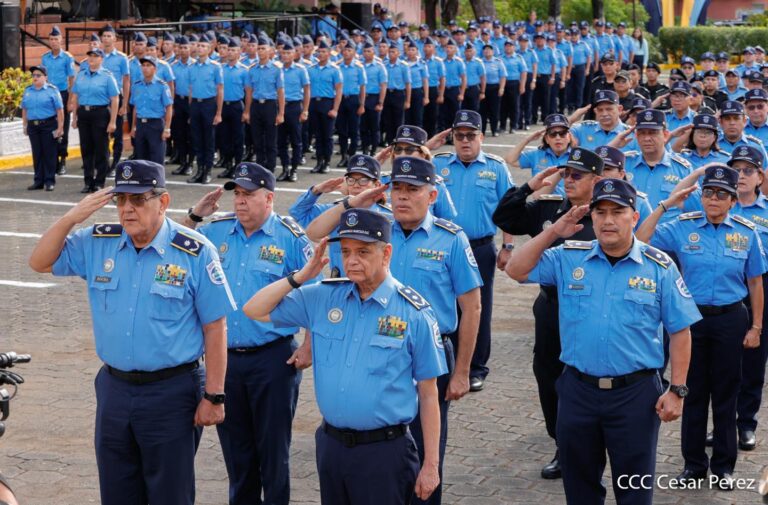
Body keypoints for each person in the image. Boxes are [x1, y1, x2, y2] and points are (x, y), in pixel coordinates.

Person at [28, 160, 236, 505]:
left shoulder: (194, 251)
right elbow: (39, 261)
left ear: (163, 202)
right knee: (117, 490)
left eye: (138, 200)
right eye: (121, 200)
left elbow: (215, 327)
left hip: (171, 392)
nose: (127, 209)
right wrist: (71, 218)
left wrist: (214, 396)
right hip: (114, 390)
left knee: (170, 494)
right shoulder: (98, 243)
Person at [505, 177, 699, 505]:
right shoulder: (569, 257)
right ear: (590, 217)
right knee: (580, 488)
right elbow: (515, 269)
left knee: (634, 490)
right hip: (578, 392)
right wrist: (554, 231)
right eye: (600, 212)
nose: (608, 220)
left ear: (634, 217)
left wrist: (677, 390)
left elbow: (681, 330)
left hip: (635, 397)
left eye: (617, 212)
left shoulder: (658, 267)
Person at [242, 209, 447, 505]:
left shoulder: (413, 314)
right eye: (346, 251)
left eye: (363, 252)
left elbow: (429, 395)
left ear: (386, 253)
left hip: (384, 453)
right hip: (332, 446)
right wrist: (300, 277)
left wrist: (430, 465)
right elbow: (254, 310)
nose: (351, 260)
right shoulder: (323, 297)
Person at [182, 162, 315, 505]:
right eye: (237, 195)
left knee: (273, 453)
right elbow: (174, 242)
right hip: (224, 359)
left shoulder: (290, 237)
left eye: (248, 195)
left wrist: (309, 346)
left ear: (269, 198)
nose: (239, 202)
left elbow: (316, 294)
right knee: (237, 453)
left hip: (273, 358)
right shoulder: (217, 231)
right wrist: (196, 215)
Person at [636, 164, 765, 490]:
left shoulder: (746, 232)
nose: (713, 199)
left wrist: (757, 327)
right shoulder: (682, 226)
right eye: (708, 193)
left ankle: (723, 467)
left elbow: (755, 282)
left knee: (726, 394)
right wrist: (665, 205)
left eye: (722, 195)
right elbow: (640, 238)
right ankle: (694, 465)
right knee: (690, 393)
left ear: (733, 201)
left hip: (730, 319)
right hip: (689, 322)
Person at [493, 147, 604, 480]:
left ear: (596, 180)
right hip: (553, 307)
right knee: (548, 375)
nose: (569, 180)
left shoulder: (605, 215)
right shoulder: (549, 208)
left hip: (591, 312)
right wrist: (529, 187)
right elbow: (504, 218)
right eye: (566, 174)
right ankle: (562, 444)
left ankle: (597, 441)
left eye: (577, 175)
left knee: (588, 378)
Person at [380, 156, 482, 505]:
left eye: (413, 189)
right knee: (381, 443)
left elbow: (472, 307)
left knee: (427, 448)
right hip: (380, 349)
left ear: (433, 195)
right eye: (397, 189)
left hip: (432, 354)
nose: (403, 197)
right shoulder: (375, 233)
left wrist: (463, 372)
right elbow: (315, 230)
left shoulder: (451, 239)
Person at [433, 110, 514, 391]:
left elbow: (509, 209)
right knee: (445, 303)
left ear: (481, 137)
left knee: (478, 308)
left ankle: (476, 367)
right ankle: (449, 361)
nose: (465, 141)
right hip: (443, 248)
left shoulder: (496, 167)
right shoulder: (438, 165)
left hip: (479, 247)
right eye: (459, 136)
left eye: (471, 135)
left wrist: (508, 246)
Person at [70, 48, 119, 194]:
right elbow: (75, 96)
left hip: (100, 113)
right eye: (90, 56)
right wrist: (74, 117)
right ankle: (88, 181)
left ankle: (99, 182)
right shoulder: (81, 75)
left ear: (101, 59)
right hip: (84, 114)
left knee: (101, 149)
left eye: (95, 56)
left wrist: (113, 121)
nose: (92, 59)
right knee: (86, 149)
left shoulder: (107, 76)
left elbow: (114, 98)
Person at [244, 36, 285, 175]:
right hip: (256, 106)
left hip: (269, 106)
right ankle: (260, 168)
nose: (260, 51)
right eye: (259, 48)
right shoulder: (252, 69)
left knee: (270, 140)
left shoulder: (276, 69)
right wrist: (247, 111)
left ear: (270, 51)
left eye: (263, 48)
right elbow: (249, 92)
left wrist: (281, 113)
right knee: (257, 140)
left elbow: (280, 92)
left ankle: (270, 169)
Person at [187, 33, 224, 184]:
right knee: (197, 138)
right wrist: (191, 110)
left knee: (208, 139)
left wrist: (219, 112)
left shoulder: (215, 67)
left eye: (203, 46)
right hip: (196, 104)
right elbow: (190, 89)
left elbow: (220, 90)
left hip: (209, 104)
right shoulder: (192, 67)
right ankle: (200, 169)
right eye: (199, 45)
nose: (200, 48)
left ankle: (207, 170)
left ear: (209, 49)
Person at [506, 113, 572, 196]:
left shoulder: (577, 157)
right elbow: (511, 160)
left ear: (569, 137)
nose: (558, 138)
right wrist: (528, 139)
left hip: (569, 205)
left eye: (562, 133)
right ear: (547, 139)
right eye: (552, 134)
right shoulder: (537, 154)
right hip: (541, 204)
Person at [21, 65, 64, 192]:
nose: (35, 78)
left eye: (38, 75)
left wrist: (60, 127)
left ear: (45, 77)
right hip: (33, 126)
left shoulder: (52, 90)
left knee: (49, 153)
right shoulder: (28, 90)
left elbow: (60, 110)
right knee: (37, 153)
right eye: (33, 75)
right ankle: (38, 180)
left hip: (48, 125)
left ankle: (49, 181)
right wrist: (25, 125)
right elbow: (24, 109)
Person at [41, 26, 75, 176]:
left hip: (62, 94)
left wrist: (71, 100)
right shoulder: (45, 57)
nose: (54, 42)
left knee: (63, 128)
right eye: (51, 39)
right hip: (49, 95)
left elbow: (72, 79)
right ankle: (52, 160)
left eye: (56, 39)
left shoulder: (67, 57)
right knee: (50, 126)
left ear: (61, 40)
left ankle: (62, 160)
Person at [215, 37, 249, 179]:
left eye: (233, 50)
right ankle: (228, 166)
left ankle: (238, 168)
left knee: (238, 139)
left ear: (239, 52)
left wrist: (247, 111)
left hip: (236, 106)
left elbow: (248, 93)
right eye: (229, 50)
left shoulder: (244, 70)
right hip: (223, 107)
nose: (230, 52)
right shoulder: (220, 69)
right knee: (224, 139)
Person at [277, 40, 310, 183]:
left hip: (294, 107)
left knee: (296, 141)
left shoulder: (300, 69)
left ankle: (294, 169)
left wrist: (305, 110)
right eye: (283, 52)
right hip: (279, 107)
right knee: (281, 141)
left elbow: (307, 91)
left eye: (288, 53)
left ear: (294, 54)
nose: (285, 55)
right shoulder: (277, 69)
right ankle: (285, 168)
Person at [99, 25, 130, 177]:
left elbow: (126, 81)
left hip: (116, 99)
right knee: (102, 133)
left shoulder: (122, 58)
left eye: (109, 36)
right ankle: (104, 163)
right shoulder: (97, 56)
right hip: (100, 100)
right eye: (104, 36)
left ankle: (116, 164)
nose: (106, 39)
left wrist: (124, 104)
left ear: (115, 39)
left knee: (117, 133)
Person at [307, 40, 343, 175]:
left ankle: (326, 162)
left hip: (327, 103)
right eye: (319, 52)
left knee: (327, 135)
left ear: (329, 54)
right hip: (314, 104)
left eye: (323, 52)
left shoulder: (334, 70)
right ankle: (319, 162)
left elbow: (339, 90)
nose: (321, 54)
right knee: (318, 135)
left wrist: (335, 109)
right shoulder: (311, 69)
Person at [129, 57, 173, 165]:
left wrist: (167, 128)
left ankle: (157, 182)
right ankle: (145, 181)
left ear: (155, 69)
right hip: (140, 124)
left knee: (156, 159)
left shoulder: (162, 86)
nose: (145, 68)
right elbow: (135, 107)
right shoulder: (136, 85)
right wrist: (133, 127)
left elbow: (169, 107)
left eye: (148, 65)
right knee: (142, 159)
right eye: (143, 65)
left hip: (155, 125)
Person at [336, 42, 367, 168]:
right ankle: (344, 155)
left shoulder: (359, 67)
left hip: (353, 100)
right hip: (341, 100)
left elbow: (362, 87)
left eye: (349, 50)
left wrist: (362, 104)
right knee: (342, 130)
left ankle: (352, 156)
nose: (346, 52)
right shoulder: (337, 67)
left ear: (354, 52)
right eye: (345, 50)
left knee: (354, 130)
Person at [170, 36, 196, 177]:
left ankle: (190, 163)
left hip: (190, 102)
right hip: (178, 102)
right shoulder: (174, 66)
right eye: (181, 47)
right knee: (179, 134)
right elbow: (172, 87)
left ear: (190, 49)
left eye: (186, 47)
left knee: (190, 134)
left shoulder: (194, 65)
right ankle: (182, 162)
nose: (183, 50)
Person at [361, 41, 388, 155]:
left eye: (369, 51)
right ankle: (365, 148)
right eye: (365, 51)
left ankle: (373, 149)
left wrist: (380, 102)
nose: (367, 53)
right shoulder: (360, 65)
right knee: (363, 126)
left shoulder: (379, 66)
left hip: (374, 98)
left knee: (374, 126)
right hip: (362, 98)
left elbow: (383, 85)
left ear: (374, 52)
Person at [382, 42, 412, 146]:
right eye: (389, 52)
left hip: (398, 94)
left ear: (398, 53)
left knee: (398, 119)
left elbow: (408, 84)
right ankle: (390, 142)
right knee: (388, 119)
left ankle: (399, 141)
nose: (391, 54)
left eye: (393, 52)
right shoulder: (384, 64)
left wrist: (408, 101)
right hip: (387, 94)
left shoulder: (403, 66)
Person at [500, 39, 527, 134]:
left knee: (514, 106)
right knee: (503, 106)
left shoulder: (518, 58)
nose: (508, 47)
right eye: (506, 46)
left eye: (510, 46)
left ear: (514, 47)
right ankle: (502, 126)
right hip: (503, 84)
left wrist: (522, 85)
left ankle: (513, 126)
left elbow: (523, 72)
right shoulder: (500, 58)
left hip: (514, 83)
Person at [479, 43, 506, 136]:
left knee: (494, 110)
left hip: (494, 88)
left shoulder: (498, 62)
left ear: (493, 51)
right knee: (483, 110)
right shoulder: (480, 62)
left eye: (489, 50)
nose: (487, 51)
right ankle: (482, 131)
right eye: (485, 50)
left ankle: (494, 130)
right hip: (483, 88)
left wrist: (501, 88)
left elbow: (503, 76)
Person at [423, 38, 445, 138]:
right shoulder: (421, 61)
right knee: (422, 114)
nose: (426, 48)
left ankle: (431, 135)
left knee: (433, 114)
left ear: (434, 49)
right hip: (421, 90)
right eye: (425, 46)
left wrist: (441, 94)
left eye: (429, 46)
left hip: (433, 89)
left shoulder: (438, 62)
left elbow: (442, 79)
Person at [405, 41, 429, 128]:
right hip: (405, 92)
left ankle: (418, 138)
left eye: (413, 50)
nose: (410, 52)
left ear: (417, 51)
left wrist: (426, 97)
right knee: (406, 117)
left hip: (417, 91)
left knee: (417, 116)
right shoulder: (403, 63)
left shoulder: (422, 64)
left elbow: (425, 81)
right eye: (409, 50)